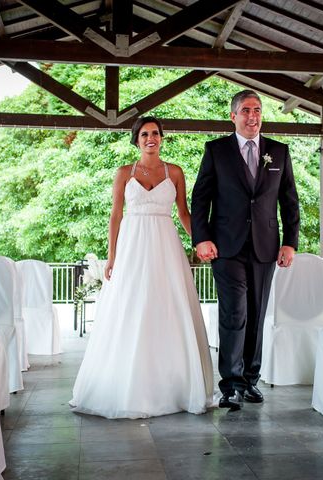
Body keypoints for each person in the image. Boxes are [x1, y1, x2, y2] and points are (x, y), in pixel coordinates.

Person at [70, 116, 214, 419]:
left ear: (162, 138)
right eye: (145, 134)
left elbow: (184, 213)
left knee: (168, 307)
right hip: (133, 246)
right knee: (132, 307)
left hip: (166, 246)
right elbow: (115, 215)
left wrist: (201, 242)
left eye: (156, 134)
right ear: (137, 140)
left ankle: (174, 385)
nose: (151, 138)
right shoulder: (124, 172)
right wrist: (112, 256)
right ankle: (129, 385)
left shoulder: (174, 172)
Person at [191, 90, 300, 411]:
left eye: (257, 110)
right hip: (226, 246)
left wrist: (290, 242)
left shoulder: (279, 152)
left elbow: (289, 202)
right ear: (233, 116)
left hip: (266, 246)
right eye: (246, 110)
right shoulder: (216, 151)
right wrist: (202, 238)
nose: (253, 116)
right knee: (234, 313)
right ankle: (231, 383)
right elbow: (201, 199)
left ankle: (251, 379)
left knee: (256, 313)